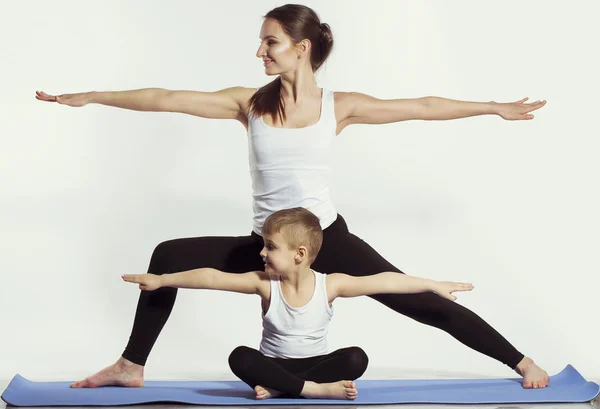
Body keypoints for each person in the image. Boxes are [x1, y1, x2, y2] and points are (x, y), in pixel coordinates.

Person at [36, 3, 549, 391]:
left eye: (271, 43)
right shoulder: (249, 104)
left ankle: (520, 361)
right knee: (168, 257)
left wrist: (492, 107)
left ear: (302, 48)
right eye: (262, 43)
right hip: (270, 245)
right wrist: (92, 96)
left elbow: (421, 105)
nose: (261, 52)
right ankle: (131, 365)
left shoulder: (338, 107)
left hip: (326, 238)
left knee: (417, 299)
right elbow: (165, 98)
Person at [121, 207, 474, 400]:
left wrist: (431, 283)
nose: (260, 253)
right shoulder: (264, 284)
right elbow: (212, 277)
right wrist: (163, 279)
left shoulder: (330, 284)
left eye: (270, 247)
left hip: (311, 365)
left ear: (300, 254)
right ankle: (311, 392)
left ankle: (284, 388)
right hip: (273, 365)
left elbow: (383, 280)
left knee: (356, 358)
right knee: (239, 357)